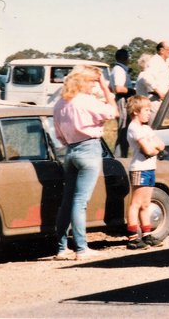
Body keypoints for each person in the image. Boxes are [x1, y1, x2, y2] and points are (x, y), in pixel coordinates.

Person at [52, 65, 118, 260]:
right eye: (91, 82)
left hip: (70, 151)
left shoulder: (59, 104)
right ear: (82, 82)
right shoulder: (87, 101)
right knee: (80, 202)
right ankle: (81, 248)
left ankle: (62, 248)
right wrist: (105, 87)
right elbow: (113, 112)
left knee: (67, 201)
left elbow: (60, 137)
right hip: (89, 149)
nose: (93, 86)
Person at [125, 95, 166, 249]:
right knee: (136, 203)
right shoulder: (134, 128)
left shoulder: (146, 128)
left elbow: (161, 145)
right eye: (146, 110)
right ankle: (133, 237)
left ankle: (147, 235)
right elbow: (148, 149)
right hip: (139, 169)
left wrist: (154, 147)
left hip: (149, 168)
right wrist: (153, 147)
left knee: (146, 203)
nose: (149, 113)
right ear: (136, 111)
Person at [110, 48, 135, 157]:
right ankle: (120, 157)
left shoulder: (117, 69)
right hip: (123, 100)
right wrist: (132, 91)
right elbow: (119, 88)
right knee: (123, 130)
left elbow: (110, 87)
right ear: (125, 58)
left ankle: (122, 155)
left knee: (124, 130)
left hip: (121, 99)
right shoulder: (119, 70)